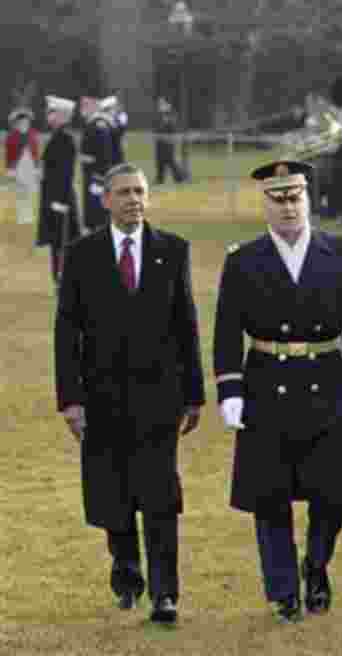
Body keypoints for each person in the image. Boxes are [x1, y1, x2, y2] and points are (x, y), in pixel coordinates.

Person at [212, 160, 342, 623]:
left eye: (295, 197)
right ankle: (283, 588)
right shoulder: (242, 260)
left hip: (325, 379)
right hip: (267, 383)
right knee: (270, 494)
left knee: (334, 493)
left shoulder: (340, 252)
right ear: (264, 203)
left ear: (308, 198)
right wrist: (230, 390)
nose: (288, 207)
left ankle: (316, 563)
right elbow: (227, 331)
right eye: (278, 198)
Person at [53, 162, 204, 624]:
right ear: (105, 200)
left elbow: (187, 324)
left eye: (140, 191)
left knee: (160, 498)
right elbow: (67, 331)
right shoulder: (81, 254)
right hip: (100, 398)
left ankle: (165, 594)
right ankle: (126, 568)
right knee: (113, 495)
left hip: (159, 397)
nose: (133, 200)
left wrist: (194, 394)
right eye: (123, 192)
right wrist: (71, 399)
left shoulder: (172, 251)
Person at [36, 95, 79, 286]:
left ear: (63, 116)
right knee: (56, 242)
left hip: (60, 200)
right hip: (53, 198)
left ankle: (65, 279)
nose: (48, 116)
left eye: (52, 112)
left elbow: (65, 174)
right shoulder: (57, 137)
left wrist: (60, 201)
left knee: (63, 242)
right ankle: (59, 279)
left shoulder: (65, 139)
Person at [79, 97, 114, 231]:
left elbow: (104, 152)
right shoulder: (91, 123)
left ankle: (99, 227)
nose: (82, 110)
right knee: (91, 202)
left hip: (97, 172)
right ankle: (93, 226)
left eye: (85, 106)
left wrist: (92, 162)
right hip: (90, 171)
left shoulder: (98, 125)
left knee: (97, 204)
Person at [6, 107, 40, 225]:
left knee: (29, 191)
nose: (24, 123)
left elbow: (36, 151)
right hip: (18, 165)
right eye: (21, 122)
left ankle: (28, 215)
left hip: (30, 164)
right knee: (21, 191)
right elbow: (9, 154)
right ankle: (22, 216)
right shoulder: (11, 136)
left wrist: (36, 168)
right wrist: (10, 170)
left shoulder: (33, 133)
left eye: (26, 122)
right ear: (16, 123)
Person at [154, 98, 185, 185]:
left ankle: (179, 178)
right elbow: (156, 128)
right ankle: (159, 179)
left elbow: (173, 128)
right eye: (159, 104)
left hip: (168, 142)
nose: (160, 106)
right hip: (159, 142)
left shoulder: (171, 115)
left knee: (171, 161)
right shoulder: (158, 116)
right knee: (160, 161)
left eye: (162, 104)